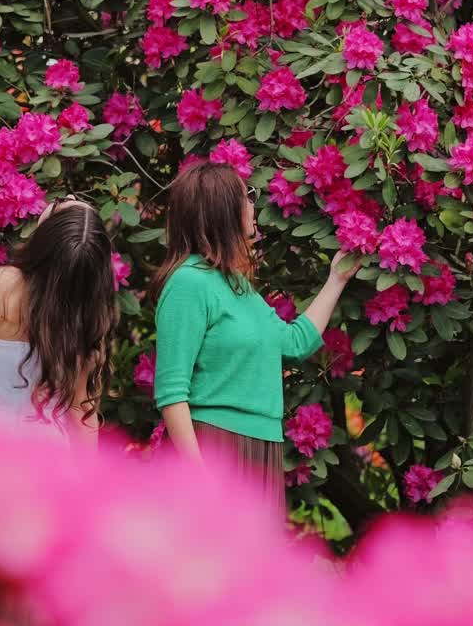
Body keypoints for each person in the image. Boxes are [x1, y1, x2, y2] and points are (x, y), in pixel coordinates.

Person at [152, 162, 358, 509]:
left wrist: (337, 279)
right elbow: (171, 392)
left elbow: (294, 343)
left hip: (262, 447)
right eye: (246, 196)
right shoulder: (188, 282)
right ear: (222, 209)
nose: (253, 204)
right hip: (216, 446)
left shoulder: (237, 286)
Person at [0, 196, 118, 449]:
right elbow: (79, 409)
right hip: (47, 456)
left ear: (46, 238)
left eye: (62, 203)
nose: (70, 197)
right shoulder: (82, 313)